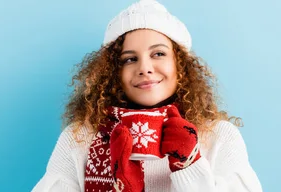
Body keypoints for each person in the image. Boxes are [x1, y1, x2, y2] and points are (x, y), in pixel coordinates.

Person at [31, 0, 262, 191]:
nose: (145, 68)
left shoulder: (218, 137)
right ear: (114, 72)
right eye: (129, 59)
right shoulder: (79, 137)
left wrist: (190, 166)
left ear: (180, 66)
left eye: (158, 54)